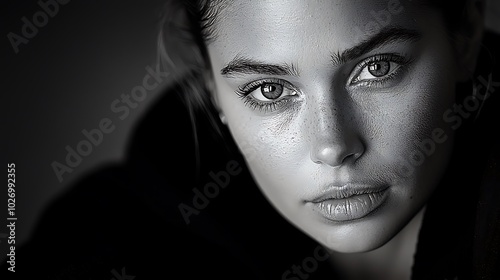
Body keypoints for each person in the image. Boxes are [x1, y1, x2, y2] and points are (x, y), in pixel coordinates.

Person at [9, 0, 499, 279]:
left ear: (464, 39)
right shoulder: (103, 244)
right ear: (213, 93)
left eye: (377, 67)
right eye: (270, 90)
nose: (332, 146)